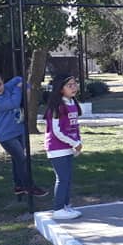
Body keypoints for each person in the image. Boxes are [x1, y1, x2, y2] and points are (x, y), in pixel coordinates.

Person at [0, 71, 47, 198]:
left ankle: (19, 185)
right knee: (22, 159)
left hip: (19, 131)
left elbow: (18, 78)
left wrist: (26, 88)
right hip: (6, 136)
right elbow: (14, 103)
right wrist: (19, 90)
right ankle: (30, 186)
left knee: (17, 160)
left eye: (0, 84)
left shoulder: (6, 88)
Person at [43, 74, 83, 220]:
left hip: (68, 147)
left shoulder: (72, 103)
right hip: (56, 148)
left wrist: (78, 143)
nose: (74, 87)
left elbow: (74, 127)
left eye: (74, 84)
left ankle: (65, 206)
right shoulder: (58, 107)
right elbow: (56, 131)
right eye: (69, 85)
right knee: (62, 178)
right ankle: (58, 209)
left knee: (68, 178)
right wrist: (74, 143)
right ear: (60, 89)